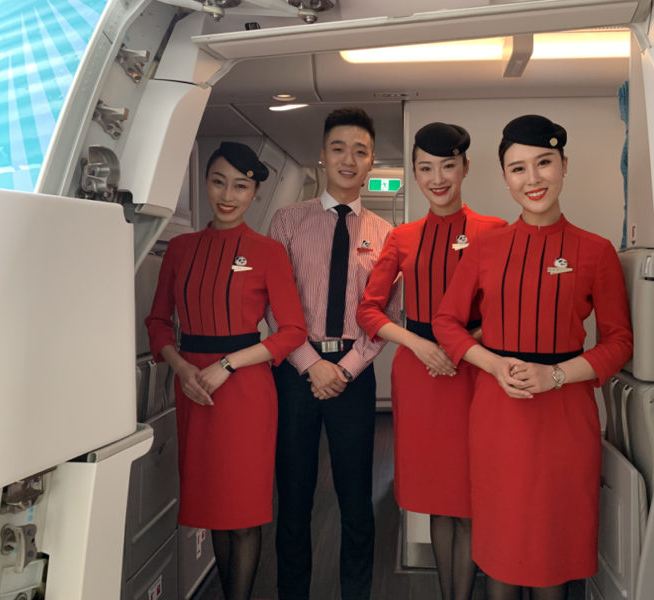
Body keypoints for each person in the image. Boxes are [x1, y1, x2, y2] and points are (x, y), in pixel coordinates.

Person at [433, 115, 633, 600]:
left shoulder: (596, 251)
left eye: (544, 163)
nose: (533, 179)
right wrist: (493, 364)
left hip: (564, 417)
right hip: (497, 413)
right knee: (501, 554)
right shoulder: (485, 248)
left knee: (552, 555)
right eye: (518, 168)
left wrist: (556, 375)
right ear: (505, 178)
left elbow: (619, 343)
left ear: (564, 165)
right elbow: (446, 322)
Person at [145, 142, 307, 600]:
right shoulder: (180, 249)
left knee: (244, 513)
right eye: (218, 182)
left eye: (240, 186)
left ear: (255, 192)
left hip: (246, 391)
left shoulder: (268, 251)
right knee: (215, 508)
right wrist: (180, 366)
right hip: (194, 389)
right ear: (205, 183)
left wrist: (227, 364)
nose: (228, 195)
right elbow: (157, 321)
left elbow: (292, 331)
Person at [357, 122, 506, 600]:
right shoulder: (402, 237)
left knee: (473, 495)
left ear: (465, 167)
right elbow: (369, 311)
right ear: (414, 173)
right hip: (420, 375)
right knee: (440, 499)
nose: (437, 178)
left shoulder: (494, 231)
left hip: (475, 371)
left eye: (447, 166)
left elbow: (507, 310)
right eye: (425, 168)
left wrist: (462, 345)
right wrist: (420, 346)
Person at [266, 107, 399, 600]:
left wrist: (343, 369)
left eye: (360, 151)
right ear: (322, 155)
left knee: (356, 501)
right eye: (339, 148)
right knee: (294, 499)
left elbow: (386, 314)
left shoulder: (385, 235)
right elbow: (272, 304)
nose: (349, 159)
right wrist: (310, 364)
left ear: (372, 162)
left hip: (353, 375)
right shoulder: (287, 221)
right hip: (295, 370)